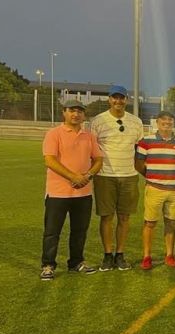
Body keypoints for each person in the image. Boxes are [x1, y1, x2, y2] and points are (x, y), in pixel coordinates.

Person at [40, 99, 103, 280]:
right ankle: (48, 265)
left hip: (83, 193)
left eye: (79, 111)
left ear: (84, 115)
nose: (76, 114)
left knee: (79, 230)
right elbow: (50, 160)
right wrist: (73, 176)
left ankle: (76, 263)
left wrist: (88, 176)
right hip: (58, 192)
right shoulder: (54, 134)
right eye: (72, 111)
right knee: (52, 231)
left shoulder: (89, 136)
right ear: (64, 113)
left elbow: (98, 160)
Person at [90, 85, 144, 271]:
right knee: (106, 217)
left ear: (126, 100)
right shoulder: (98, 121)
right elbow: (92, 149)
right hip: (105, 176)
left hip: (129, 175)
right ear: (109, 99)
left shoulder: (136, 122)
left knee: (124, 217)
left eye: (121, 98)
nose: (118, 101)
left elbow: (139, 150)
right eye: (115, 98)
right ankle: (107, 255)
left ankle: (120, 254)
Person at [134, 111, 175, 270]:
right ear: (157, 123)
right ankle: (146, 256)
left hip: (174, 190)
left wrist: (170, 176)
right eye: (163, 122)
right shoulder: (146, 141)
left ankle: (170, 255)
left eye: (170, 122)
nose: (167, 125)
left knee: (171, 223)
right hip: (154, 188)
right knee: (150, 222)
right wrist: (152, 177)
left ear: (173, 123)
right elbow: (139, 164)